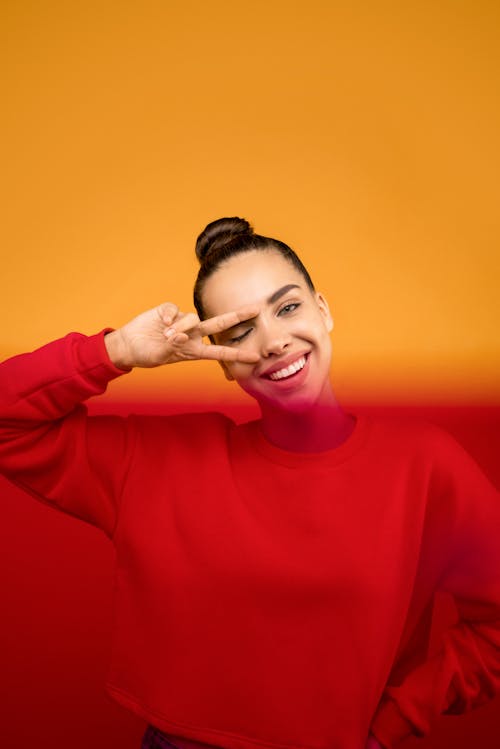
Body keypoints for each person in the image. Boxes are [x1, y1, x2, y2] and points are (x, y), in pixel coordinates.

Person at [0, 216, 499, 749]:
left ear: (324, 311)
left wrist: (397, 719)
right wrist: (118, 350)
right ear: (221, 362)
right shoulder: (155, 460)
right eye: (239, 331)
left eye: (288, 308)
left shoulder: (424, 466)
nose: (273, 342)